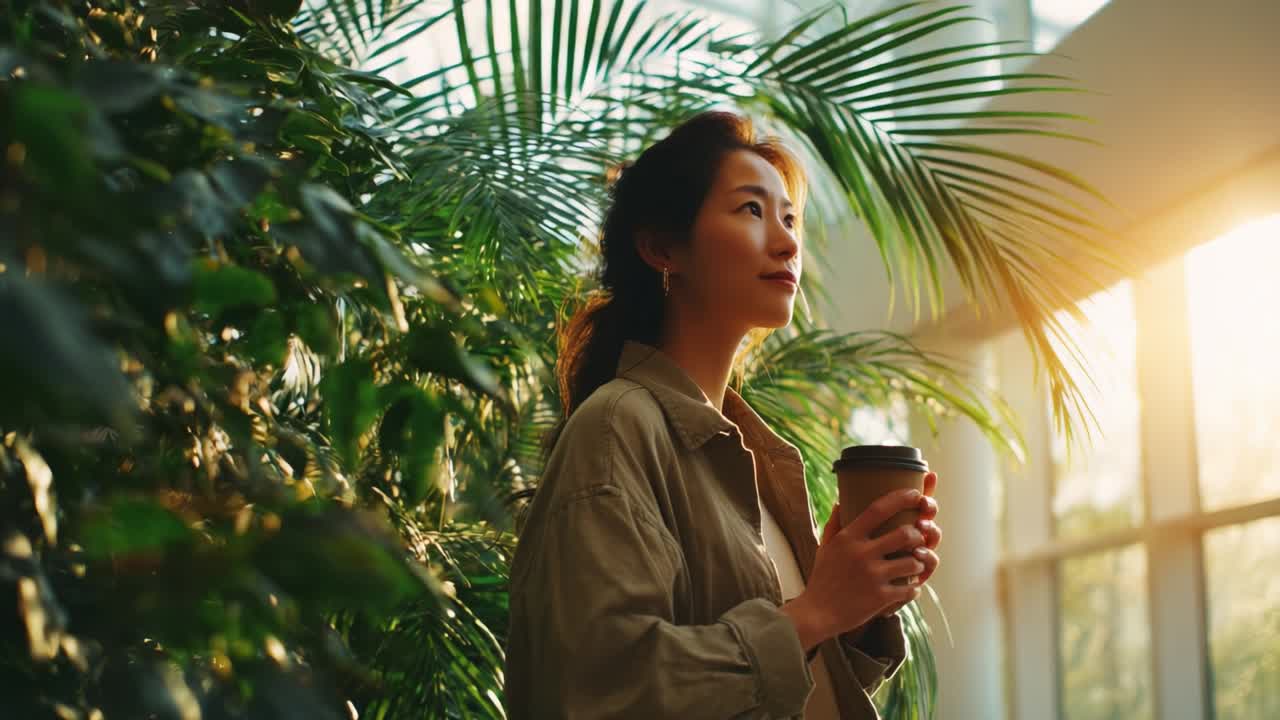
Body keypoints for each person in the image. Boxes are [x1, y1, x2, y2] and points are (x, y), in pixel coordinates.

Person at [503, 110, 942, 719]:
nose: (788, 241)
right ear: (662, 248)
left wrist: (853, 605)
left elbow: (784, 689)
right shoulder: (618, 428)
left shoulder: (756, 459)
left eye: (790, 218)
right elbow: (601, 691)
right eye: (751, 210)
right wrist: (815, 612)